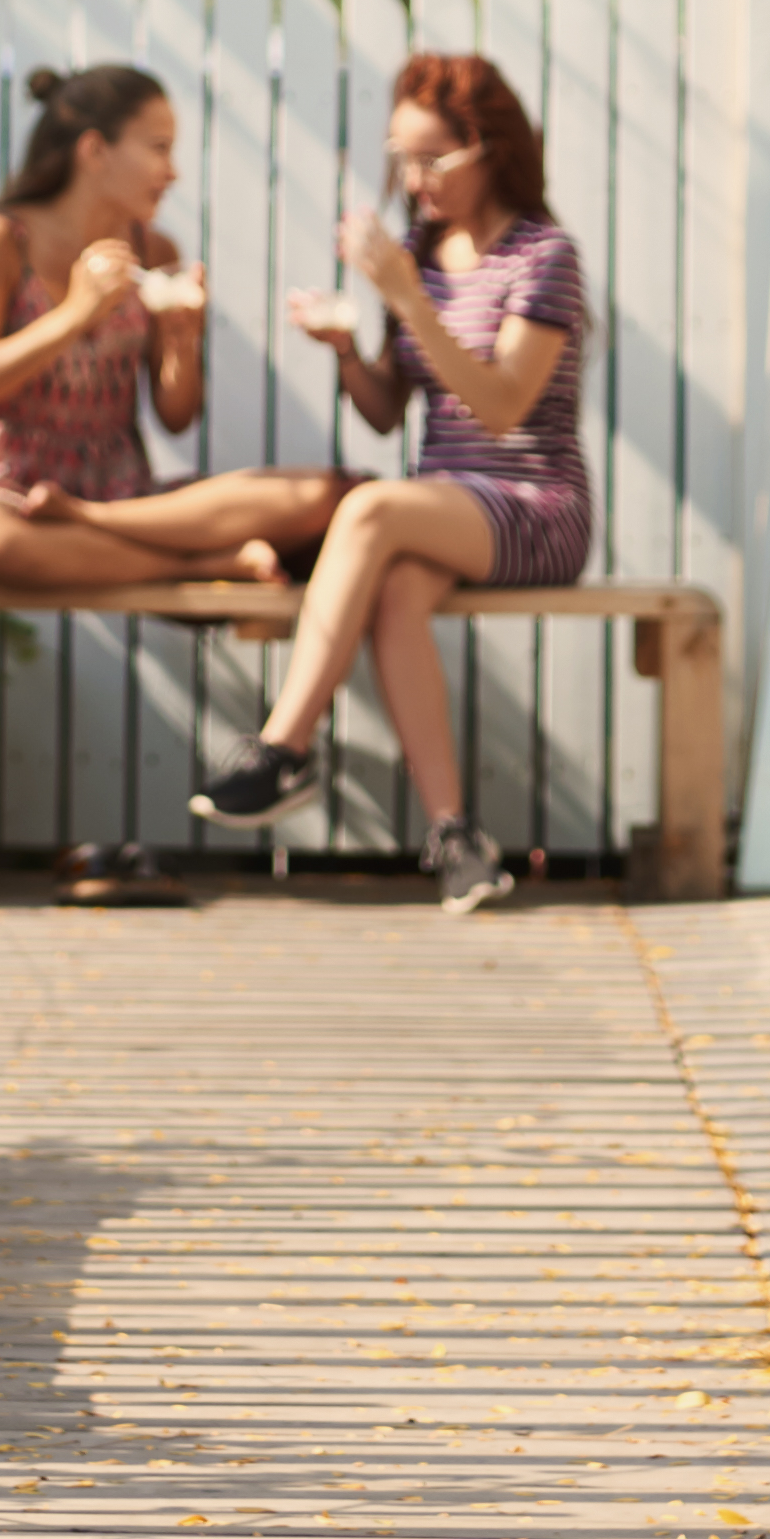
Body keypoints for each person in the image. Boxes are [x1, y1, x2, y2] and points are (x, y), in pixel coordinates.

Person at [188, 50, 590, 912]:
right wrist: (345, 348)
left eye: (432, 159)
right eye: (402, 158)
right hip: (440, 508)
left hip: (533, 507)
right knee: (398, 588)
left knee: (368, 510)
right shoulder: (421, 251)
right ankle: (455, 837)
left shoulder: (543, 256)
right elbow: (385, 410)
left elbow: (499, 407)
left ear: (490, 149)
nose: (414, 180)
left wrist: (408, 300)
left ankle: (284, 746)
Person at [0, 69, 348, 594]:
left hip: (115, 495)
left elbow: (176, 415)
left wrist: (181, 342)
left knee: (325, 496)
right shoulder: (1, 241)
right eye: (159, 148)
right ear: (95, 150)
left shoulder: (156, 253)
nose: (173, 173)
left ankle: (86, 524)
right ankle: (197, 565)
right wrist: (75, 314)